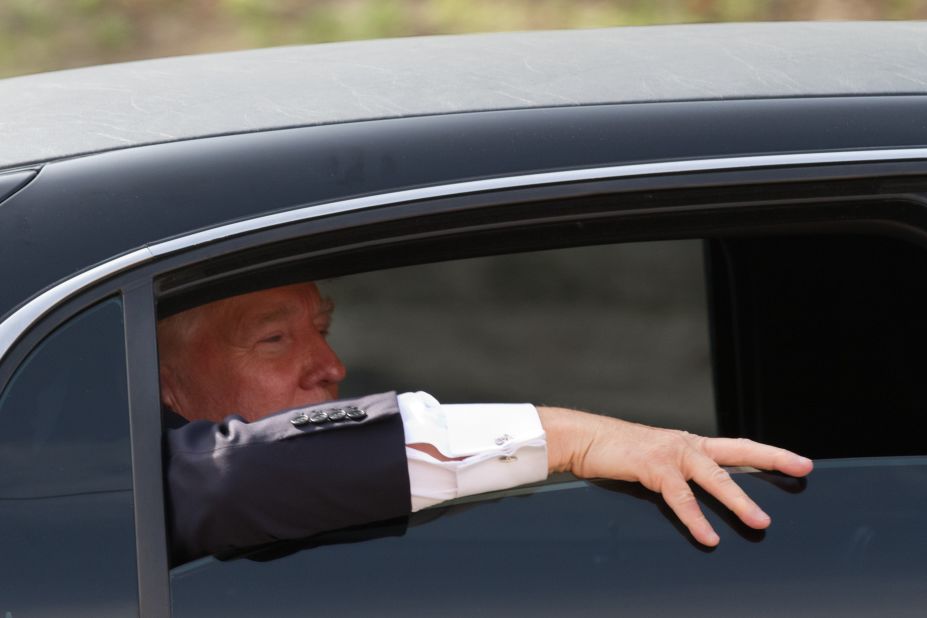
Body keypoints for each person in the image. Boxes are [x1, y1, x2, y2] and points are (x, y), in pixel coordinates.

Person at [158, 281, 813, 563]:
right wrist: (574, 439)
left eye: (323, 331)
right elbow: (211, 481)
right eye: (274, 340)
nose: (328, 365)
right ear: (165, 385)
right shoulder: (118, 494)